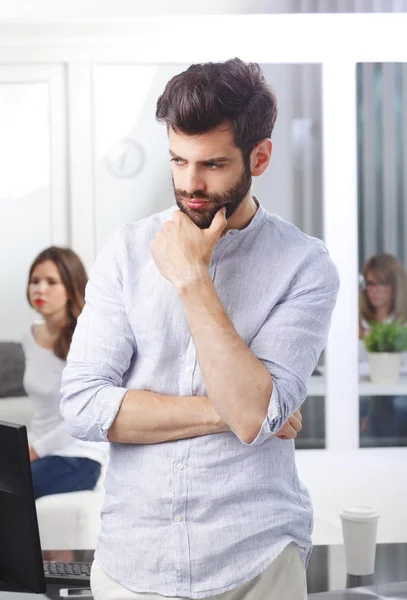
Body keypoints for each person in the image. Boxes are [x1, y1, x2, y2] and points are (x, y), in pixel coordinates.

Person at [61, 58, 339, 600]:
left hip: (257, 563)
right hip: (131, 564)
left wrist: (191, 280)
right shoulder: (125, 251)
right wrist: (231, 414)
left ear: (259, 156)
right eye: (178, 160)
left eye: (212, 164)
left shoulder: (305, 267)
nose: (190, 183)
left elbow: (257, 414)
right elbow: (83, 405)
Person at [24, 246, 106, 499]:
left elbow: (82, 415)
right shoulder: (29, 336)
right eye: (35, 281)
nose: (40, 289)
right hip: (37, 447)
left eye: (51, 282)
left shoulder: (86, 338)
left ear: (71, 288)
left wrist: (34, 451)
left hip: (78, 456)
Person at [359, 253, 407, 444]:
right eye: (370, 284)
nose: (374, 291)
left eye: (381, 284)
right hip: (363, 390)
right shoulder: (356, 318)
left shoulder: (402, 323)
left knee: (393, 403)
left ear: (395, 286)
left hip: (397, 390)